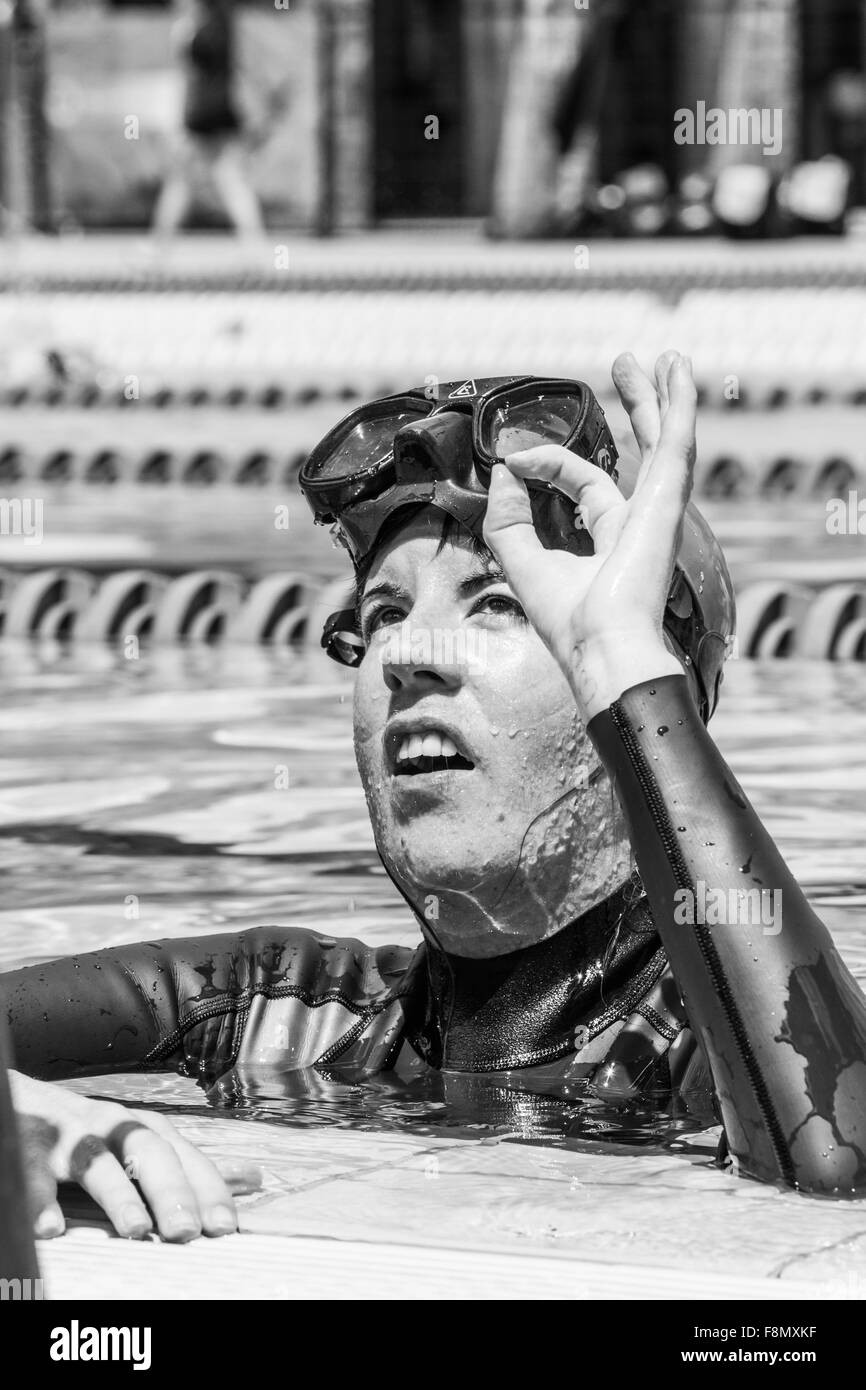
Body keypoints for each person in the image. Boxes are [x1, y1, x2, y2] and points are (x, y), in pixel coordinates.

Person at [4, 353, 866, 1247]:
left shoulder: (712, 1054)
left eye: (497, 603)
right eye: (382, 613)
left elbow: (837, 1166)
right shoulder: (276, 1013)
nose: (409, 652)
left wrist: (618, 654)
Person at [152, 0, 263, 238]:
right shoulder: (221, 24)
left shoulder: (196, 30)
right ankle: (255, 248)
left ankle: (158, 248)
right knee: (227, 178)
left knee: (184, 180)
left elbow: (190, 77)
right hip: (221, 111)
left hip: (203, 114)